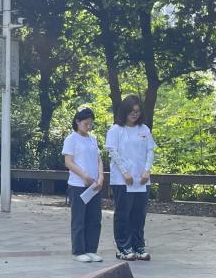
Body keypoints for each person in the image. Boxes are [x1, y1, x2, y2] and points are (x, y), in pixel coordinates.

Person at [105, 95, 157, 261]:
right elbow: (113, 152)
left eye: (137, 111)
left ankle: (138, 246)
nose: (135, 114)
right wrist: (125, 172)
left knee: (139, 214)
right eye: (131, 111)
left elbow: (150, 151)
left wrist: (147, 171)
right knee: (123, 214)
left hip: (142, 180)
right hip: (122, 180)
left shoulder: (144, 129)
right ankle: (123, 247)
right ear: (124, 111)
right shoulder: (116, 130)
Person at [63, 108, 104, 263]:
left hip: (94, 185)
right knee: (79, 219)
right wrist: (84, 176)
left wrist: (101, 177)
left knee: (94, 218)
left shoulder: (93, 139)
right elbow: (68, 162)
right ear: (78, 122)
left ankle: (91, 249)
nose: (88, 126)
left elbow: (99, 160)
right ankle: (78, 251)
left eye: (91, 124)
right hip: (78, 184)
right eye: (86, 123)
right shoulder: (71, 139)